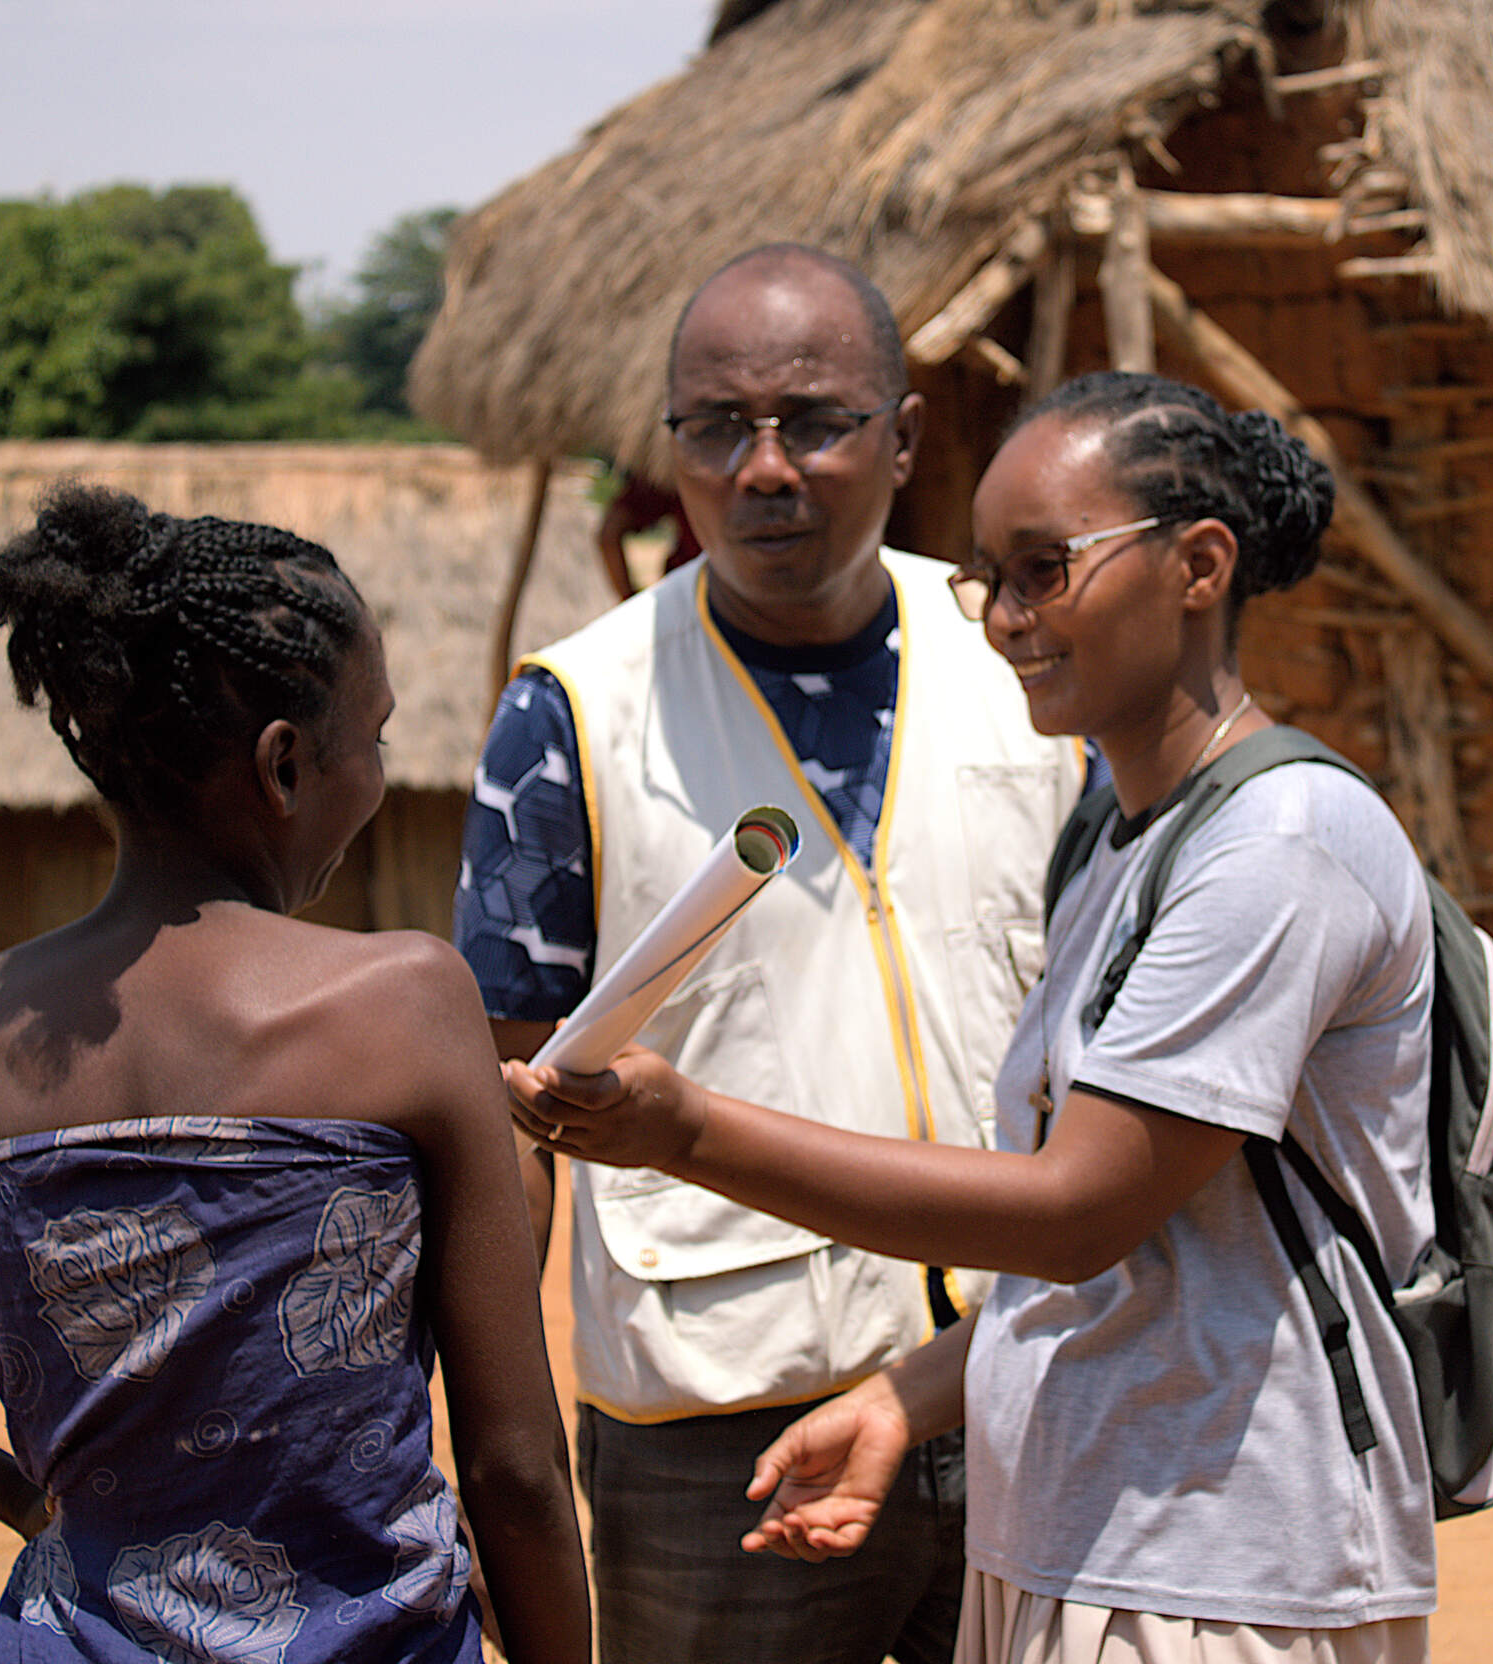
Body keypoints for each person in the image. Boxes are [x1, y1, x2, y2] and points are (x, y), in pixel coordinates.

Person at [507, 372, 1440, 1663]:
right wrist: (910, 1398)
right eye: (987, 577)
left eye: (1045, 571)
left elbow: (1078, 1215)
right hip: (1095, 1536)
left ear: (1200, 567)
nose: (1002, 620)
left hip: (1226, 1572)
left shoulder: (1278, 851)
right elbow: (1132, 1267)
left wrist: (688, 1134)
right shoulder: (1117, 843)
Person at [0, 486, 589, 1664]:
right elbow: (517, 1465)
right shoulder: (405, 1005)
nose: (382, 774)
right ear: (283, 765)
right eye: (376, 737)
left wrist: (4, 1488)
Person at [452, 243, 1086, 1664]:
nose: (764, 468)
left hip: (1025, 1376)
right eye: (715, 428)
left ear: (907, 438)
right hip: (713, 1444)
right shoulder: (574, 715)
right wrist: (497, 1461)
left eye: (814, 421)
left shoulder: (1029, 668)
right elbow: (509, 1114)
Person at [594, 471, 702, 601]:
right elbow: (610, 534)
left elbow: (609, 534)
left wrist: (629, 600)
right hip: (689, 599)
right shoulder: (675, 470)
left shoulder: (677, 468)